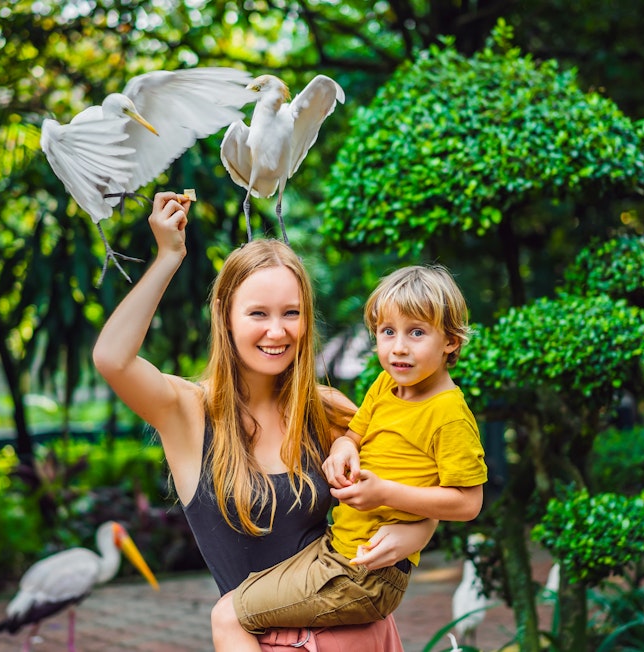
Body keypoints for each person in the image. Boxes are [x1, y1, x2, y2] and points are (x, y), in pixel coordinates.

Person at [92, 191, 437, 650]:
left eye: (291, 313)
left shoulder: (327, 408)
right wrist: (168, 256)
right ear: (226, 318)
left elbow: (420, 485)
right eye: (258, 313)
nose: (278, 331)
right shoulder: (189, 413)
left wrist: (419, 529)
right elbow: (112, 358)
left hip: (362, 637)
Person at [210, 264, 488, 651]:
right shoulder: (388, 384)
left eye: (417, 333)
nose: (399, 348)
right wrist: (342, 449)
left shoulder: (449, 415)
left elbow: (469, 503)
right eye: (388, 332)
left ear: (451, 342)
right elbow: (354, 433)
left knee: (228, 614)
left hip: (368, 575)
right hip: (337, 549)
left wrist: (384, 494)